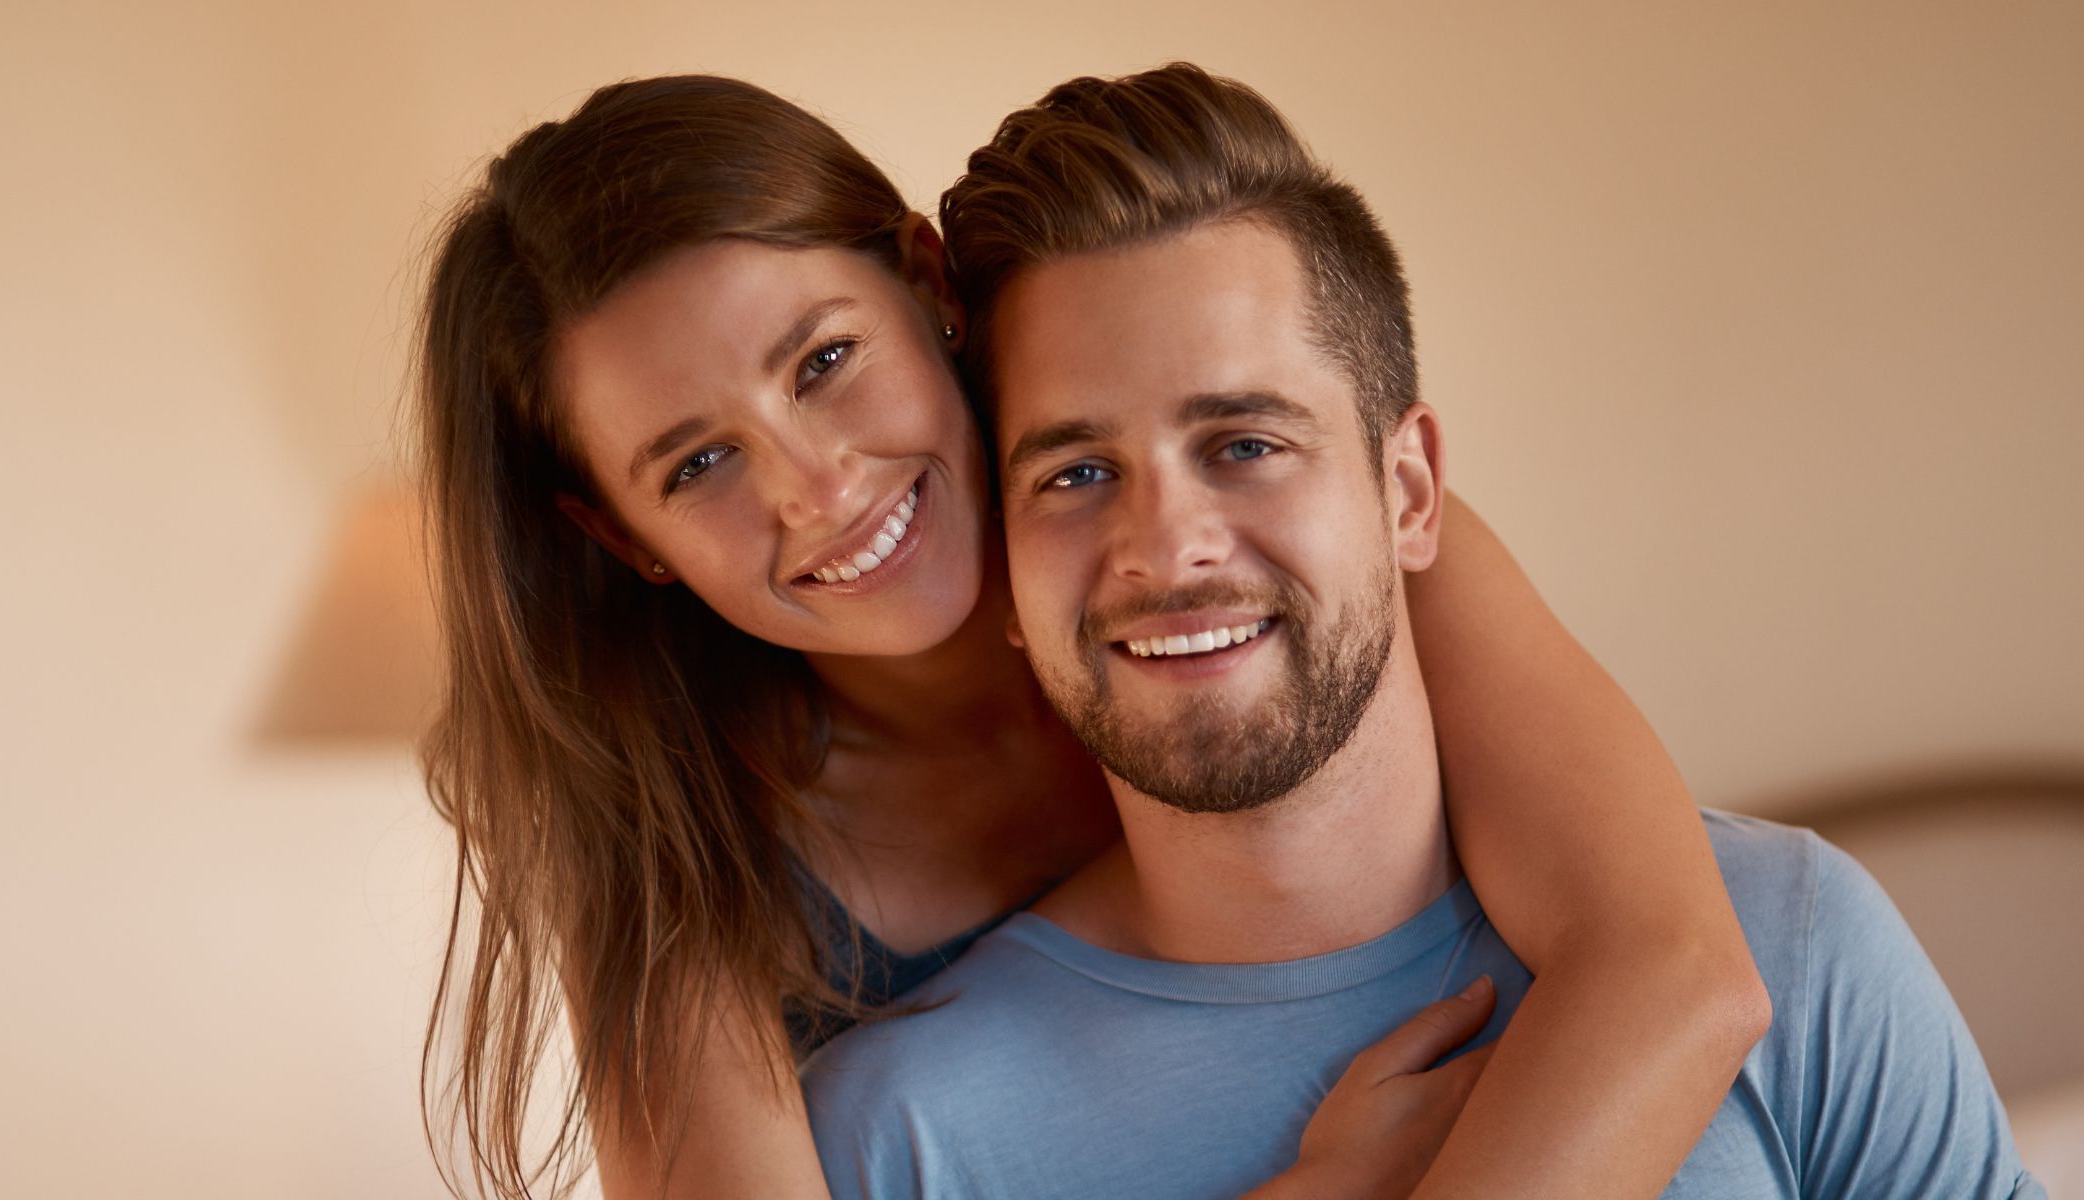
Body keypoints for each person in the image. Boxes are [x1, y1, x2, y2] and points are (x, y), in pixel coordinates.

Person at [414, 73, 1767, 1200]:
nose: (817, 489)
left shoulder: (1285, 542)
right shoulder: (670, 840)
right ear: (625, 538)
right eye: (699, 464)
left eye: (825, 362)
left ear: (926, 285)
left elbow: (1676, 970)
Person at [800, 63, 2044, 1199]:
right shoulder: (901, 1139)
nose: (1166, 548)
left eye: (1245, 445)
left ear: (1407, 493)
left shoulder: (1792, 939)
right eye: (1075, 475)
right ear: (1006, 576)